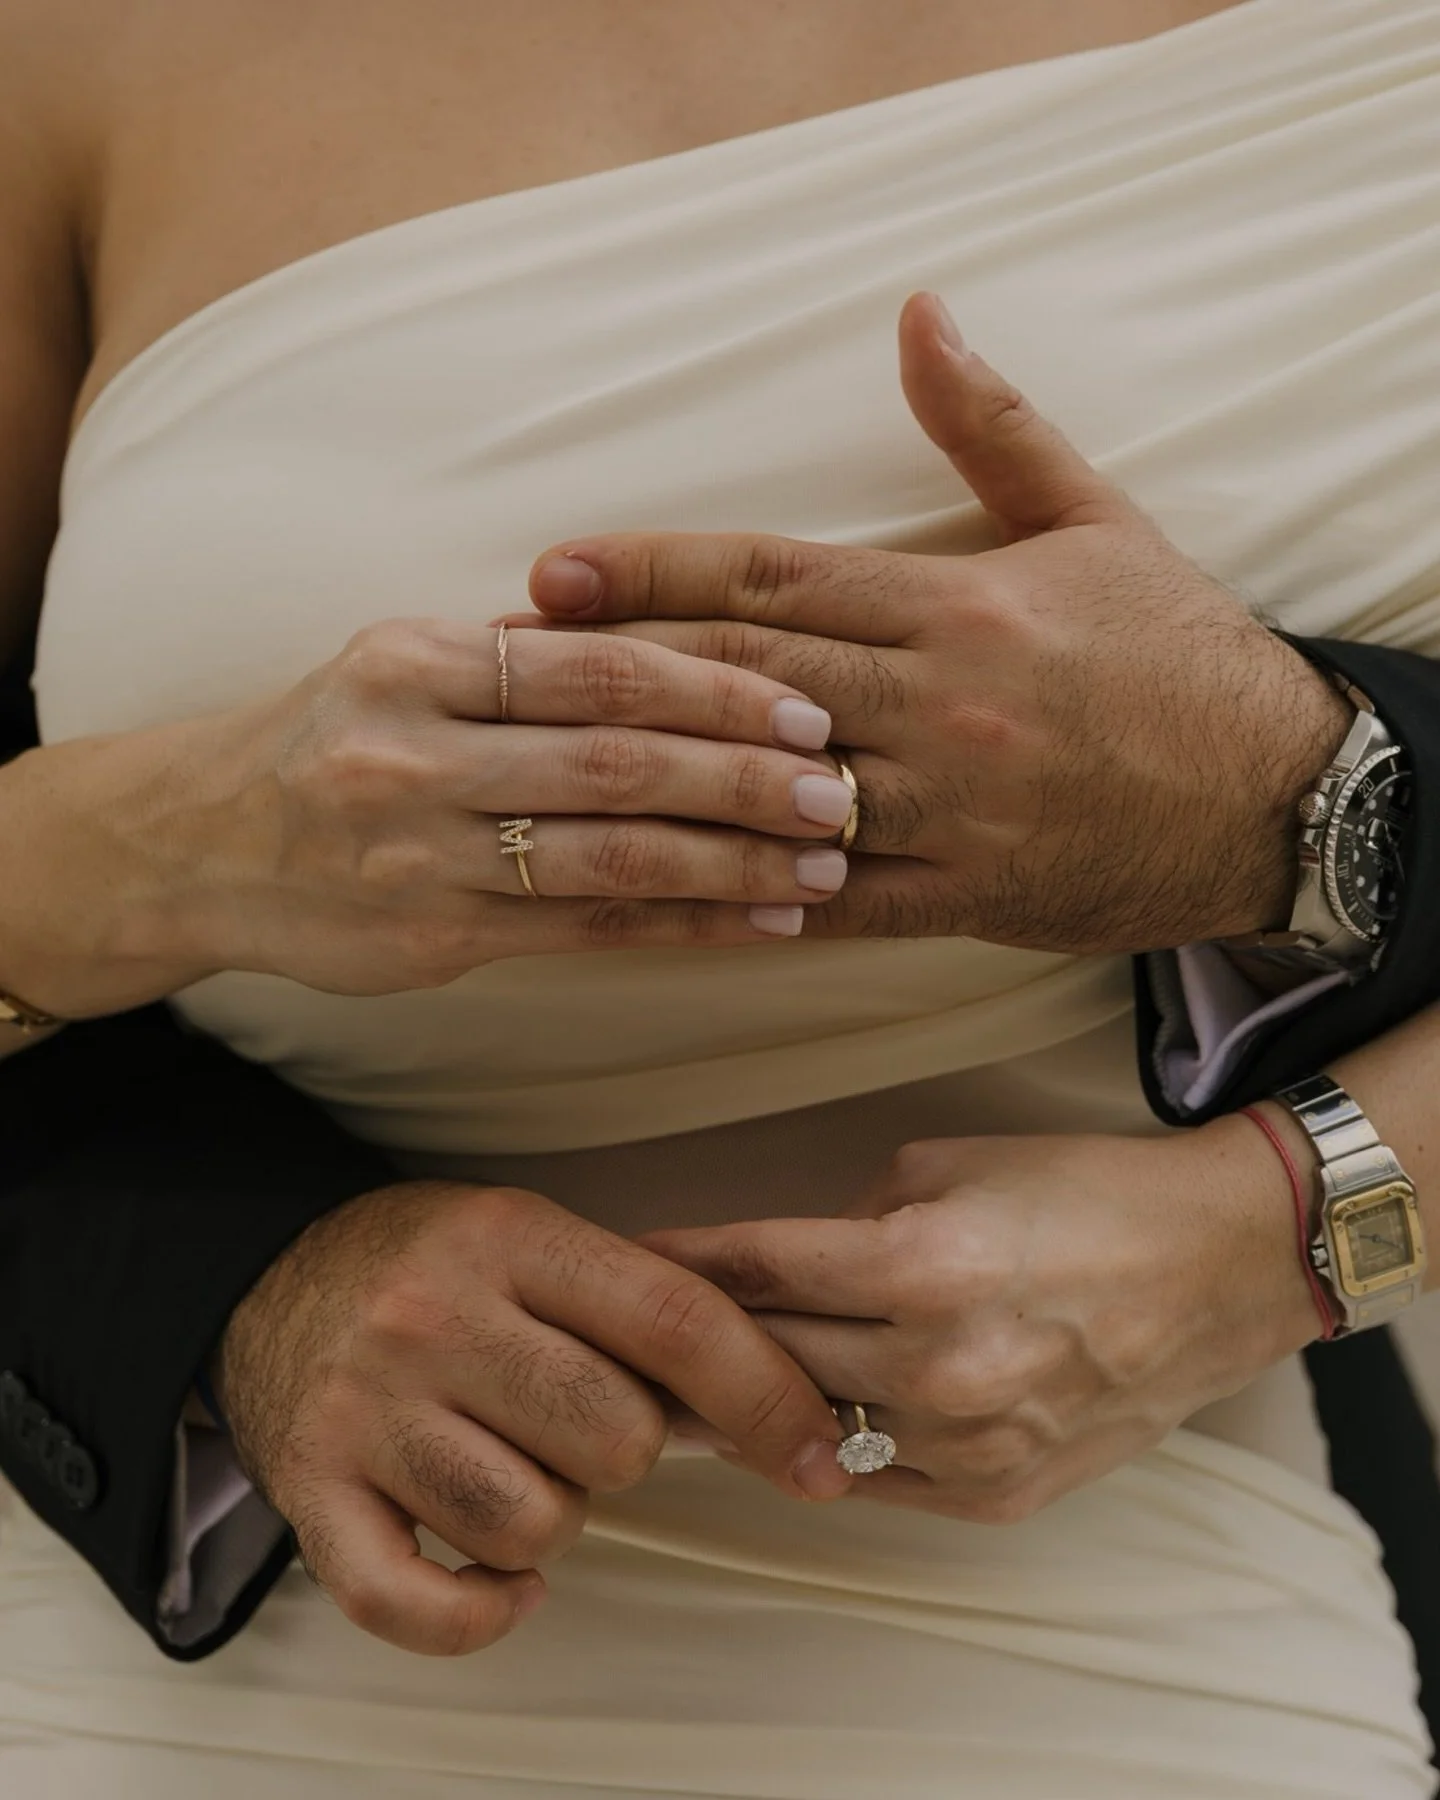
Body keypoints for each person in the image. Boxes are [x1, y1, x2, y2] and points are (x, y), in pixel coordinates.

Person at [2, 0, 1440, 1793]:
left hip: (1104, 1653)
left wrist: (1287, 1220)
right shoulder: (82, 48)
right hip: (186, 1677)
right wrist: (236, 1237)